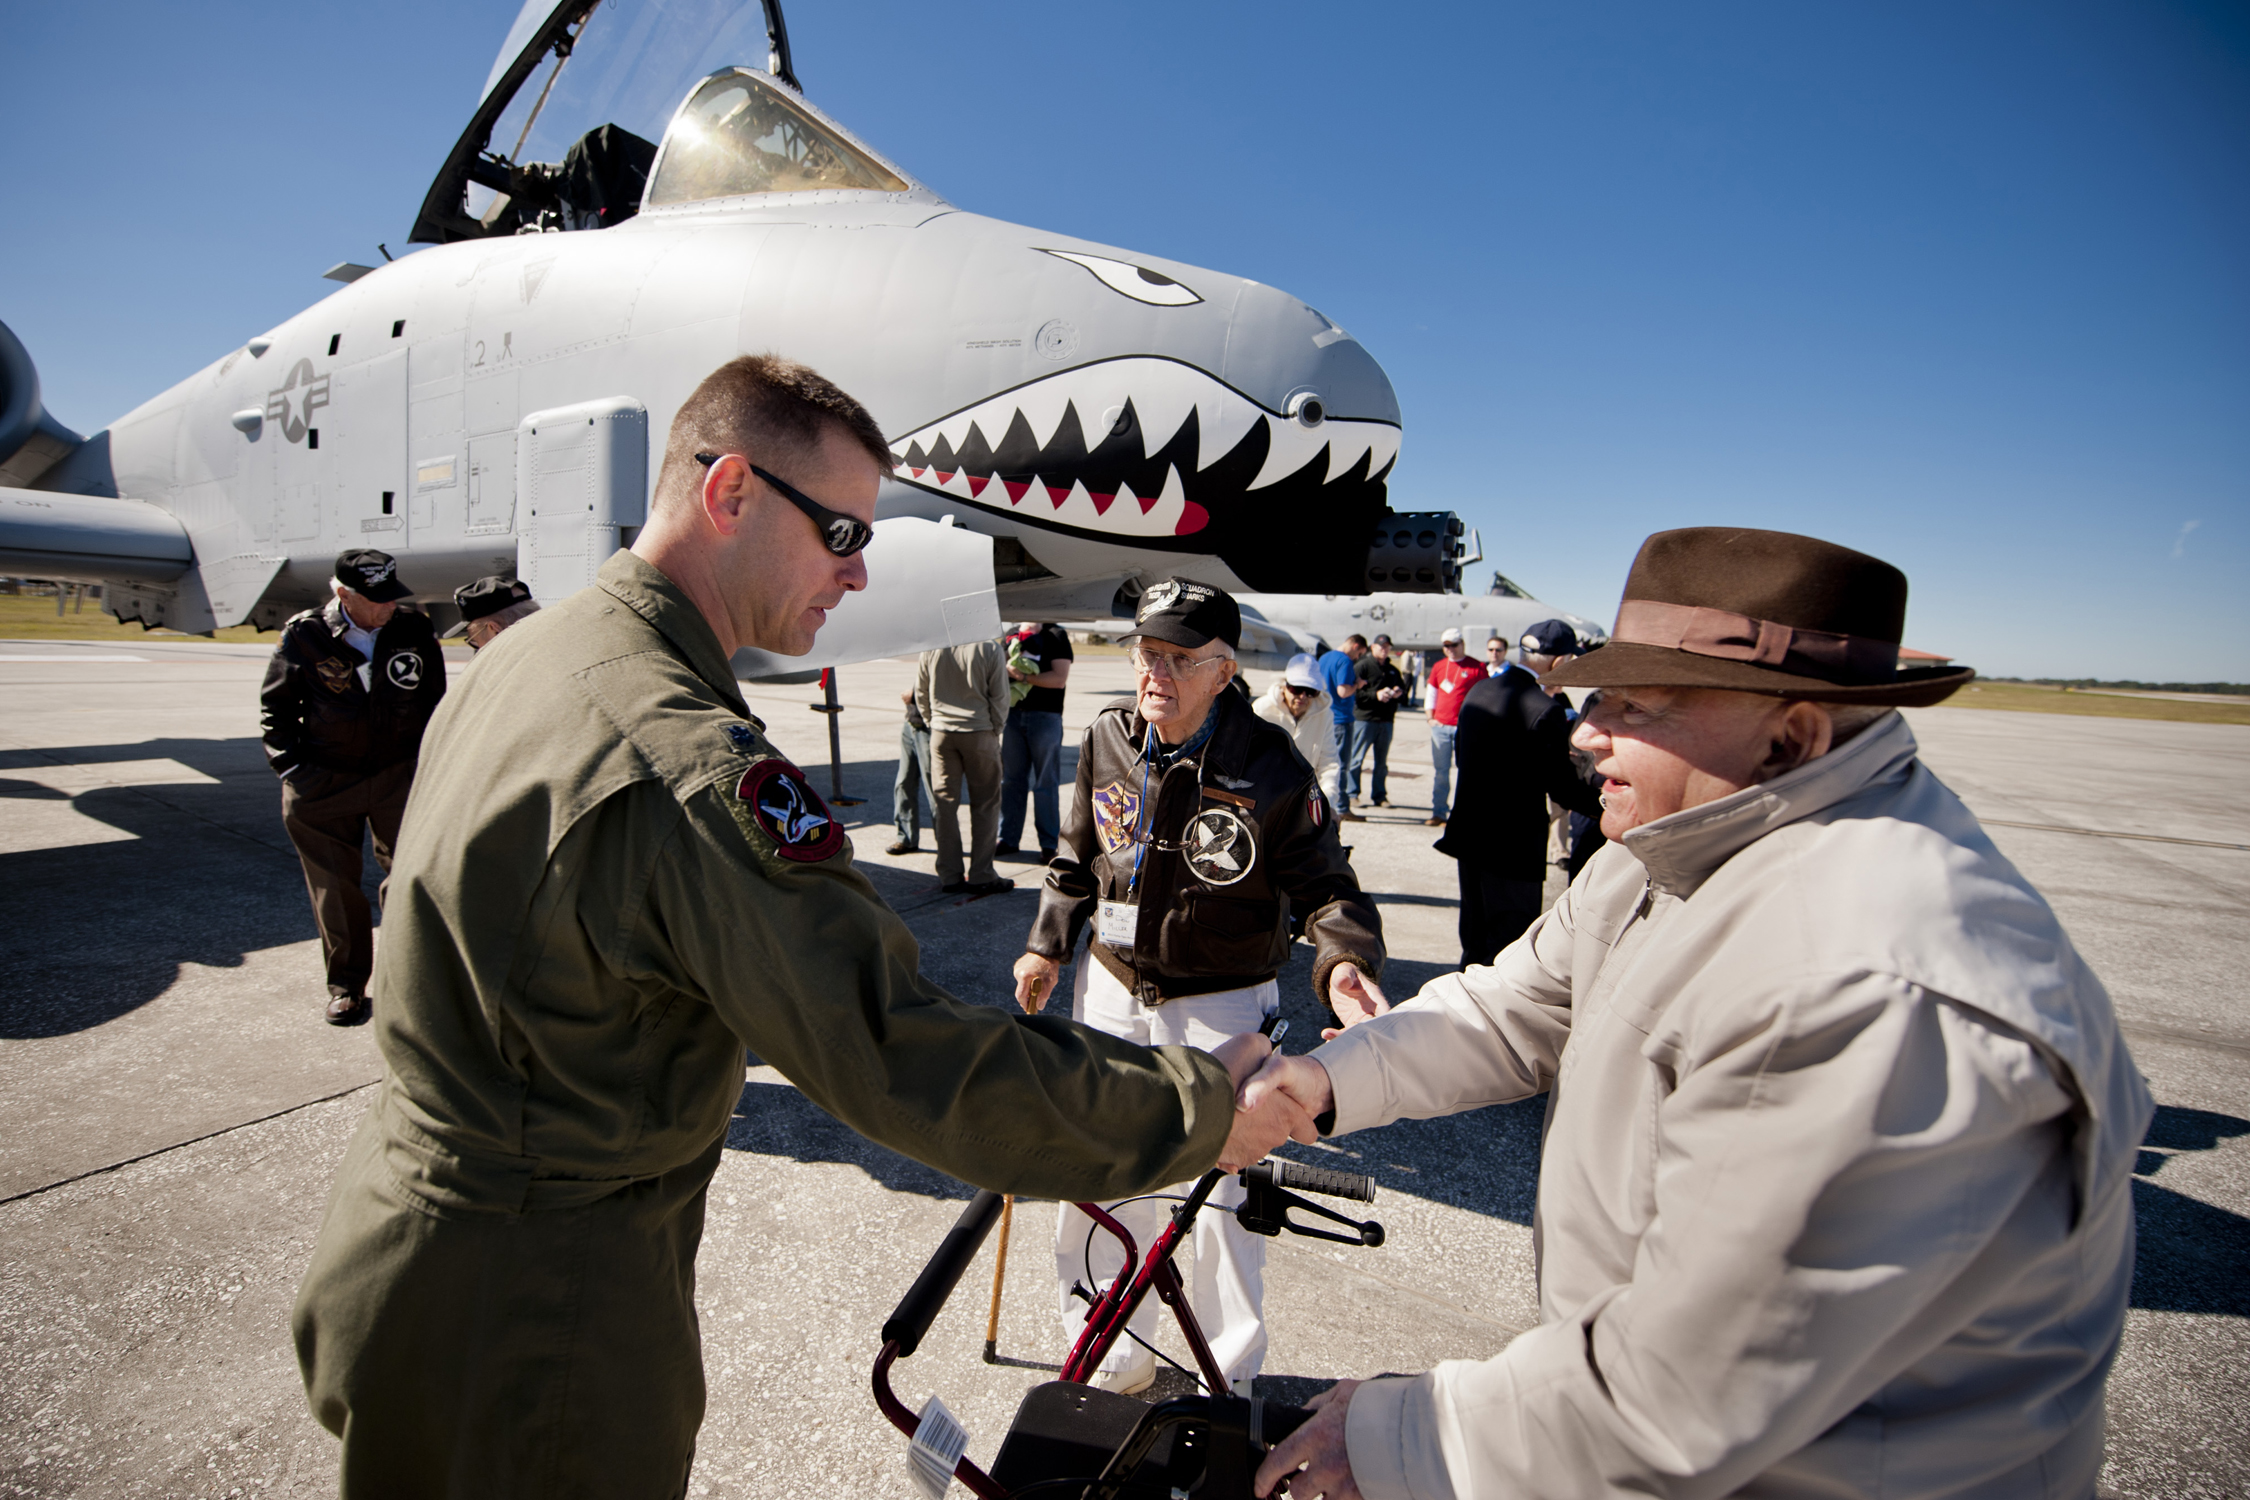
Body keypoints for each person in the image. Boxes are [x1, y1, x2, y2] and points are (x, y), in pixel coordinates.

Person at [292, 356, 1311, 1499]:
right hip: (538, 1320)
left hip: (411, 1256)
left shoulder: (521, 659)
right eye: (839, 532)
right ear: (730, 493)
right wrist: (1198, 1107)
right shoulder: (683, 760)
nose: (861, 571)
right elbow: (901, 1052)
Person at [1245, 527, 2154, 1500]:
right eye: (1598, 694)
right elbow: (1515, 1010)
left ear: (1793, 735)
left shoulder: (1873, 981)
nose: (1588, 731)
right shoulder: (1680, 845)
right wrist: (1321, 1082)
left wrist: (1398, 1438)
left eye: (1641, 704)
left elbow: (1679, 1391)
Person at [1011, 577, 1385, 1397]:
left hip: (1221, 1004)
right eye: (1147, 652)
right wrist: (1046, 945)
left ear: (1224, 671)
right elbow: (1076, 862)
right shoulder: (1109, 737)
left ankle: (1226, 1370)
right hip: (1110, 988)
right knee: (1101, 1169)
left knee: (1219, 1196)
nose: (1155, 673)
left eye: (1180, 659)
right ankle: (1107, 1352)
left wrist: (1344, 961)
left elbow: (1329, 888)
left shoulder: (1271, 767)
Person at [259, 549, 447, 1027]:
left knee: (409, 879)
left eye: (391, 596)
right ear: (343, 594)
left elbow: (434, 701)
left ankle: (407, 982)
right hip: (325, 779)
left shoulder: (412, 628)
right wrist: (293, 772)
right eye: (376, 599)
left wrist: (427, 766)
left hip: (396, 777)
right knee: (335, 889)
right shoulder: (306, 634)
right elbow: (276, 711)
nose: (388, 606)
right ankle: (346, 986)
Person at [1438, 618, 1604, 967]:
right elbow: (1562, 788)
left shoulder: (1479, 691)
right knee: (1509, 946)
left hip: (1470, 833)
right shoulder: (1545, 710)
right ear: (1559, 662)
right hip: (1512, 846)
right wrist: (1605, 806)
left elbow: (1461, 755)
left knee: (1474, 935)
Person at [915, 635, 1013, 895]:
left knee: (944, 804)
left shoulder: (932, 645)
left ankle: (949, 873)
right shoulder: (989, 647)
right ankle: (981, 874)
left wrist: (932, 721)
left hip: (941, 733)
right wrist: (995, 729)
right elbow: (1001, 696)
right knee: (986, 804)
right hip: (979, 731)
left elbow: (920, 691)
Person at [997, 619, 1075, 863]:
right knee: (1010, 781)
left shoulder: (1056, 634)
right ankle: (1008, 839)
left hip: (1046, 717)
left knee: (1045, 783)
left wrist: (1022, 677)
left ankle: (1049, 844)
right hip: (1013, 717)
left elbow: (1059, 678)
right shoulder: (1010, 635)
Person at [1251, 653, 1341, 815]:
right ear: (1285, 686)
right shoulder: (1261, 710)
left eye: (1311, 691)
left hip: (1303, 801)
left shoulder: (1325, 716)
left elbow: (1328, 763)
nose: (1302, 696)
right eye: (1297, 689)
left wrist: (1328, 803)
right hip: (1262, 799)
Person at [1421, 627, 1485, 827]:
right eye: (1446, 646)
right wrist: (1430, 717)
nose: (1450, 649)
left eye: (1454, 645)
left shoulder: (1477, 667)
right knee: (1441, 772)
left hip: (1464, 728)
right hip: (1441, 726)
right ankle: (1439, 812)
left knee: (1466, 772)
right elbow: (1431, 692)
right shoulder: (1440, 667)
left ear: (1462, 644)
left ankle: (1463, 814)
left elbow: (1485, 695)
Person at [1346, 634, 1406, 811]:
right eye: (1381, 646)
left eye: (1387, 647)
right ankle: (1352, 793)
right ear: (1373, 647)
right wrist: (1376, 695)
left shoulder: (1392, 669)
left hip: (1386, 720)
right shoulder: (1363, 666)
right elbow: (1355, 693)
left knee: (1381, 762)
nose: (1384, 650)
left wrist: (1397, 692)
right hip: (1366, 719)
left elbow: (1402, 687)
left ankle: (1380, 795)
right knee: (1357, 758)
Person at [1316, 635, 1367, 818]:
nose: (1357, 658)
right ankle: (1341, 807)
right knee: (1339, 765)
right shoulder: (1345, 661)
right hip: (1341, 718)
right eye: (1359, 653)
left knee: (1322, 764)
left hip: (1324, 715)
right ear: (1355, 646)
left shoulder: (1325, 657)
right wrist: (1358, 684)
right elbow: (1343, 691)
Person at [885, 683, 933, 856]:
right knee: (903, 783)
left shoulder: (945, 656)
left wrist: (914, 696)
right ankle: (906, 838)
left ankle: (946, 846)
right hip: (912, 724)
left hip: (930, 729)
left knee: (935, 790)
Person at [441, 574, 540, 653]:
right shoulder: (549, 646)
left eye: (475, 640)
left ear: (494, 629)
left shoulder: (509, 671)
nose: (479, 649)